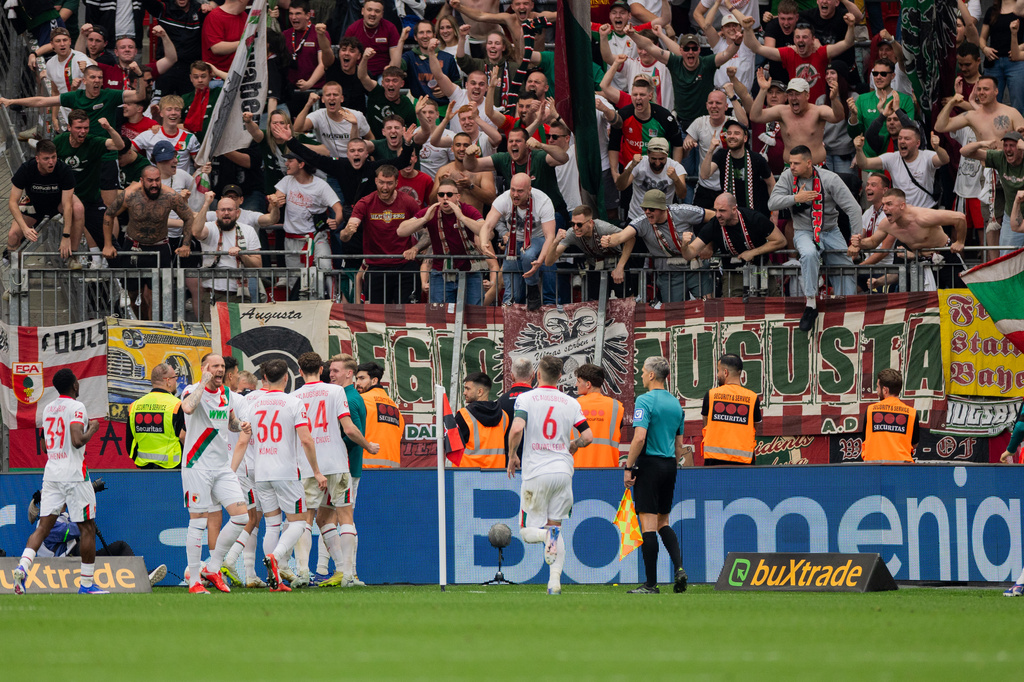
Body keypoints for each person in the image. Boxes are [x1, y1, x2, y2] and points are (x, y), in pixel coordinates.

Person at [287, 353, 379, 588]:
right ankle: (348, 574)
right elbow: (348, 429)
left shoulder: (294, 397)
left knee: (305, 520)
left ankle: (304, 572)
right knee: (346, 517)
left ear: (299, 371)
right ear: (322, 369)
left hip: (308, 465)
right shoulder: (335, 392)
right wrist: (368, 445)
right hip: (337, 463)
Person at [11, 369, 105, 595]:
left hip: (52, 474)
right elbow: (76, 440)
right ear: (74, 385)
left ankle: (22, 568)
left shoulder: (48, 409)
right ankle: (86, 584)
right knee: (87, 528)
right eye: (77, 383)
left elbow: (44, 446)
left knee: (43, 527)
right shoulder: (77, 407)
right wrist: (92, 428)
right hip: (74, 475)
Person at [506, 355, 593, 595]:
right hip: (563, 471)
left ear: (537, 374)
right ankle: (554, 583)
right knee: (556, 527)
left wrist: (513, 454)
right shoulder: (571, 402)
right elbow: (588, 437)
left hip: (536, 472)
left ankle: (546, 537)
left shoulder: (526, 398)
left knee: (526, 532)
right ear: (559, 377)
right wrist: (574, 445)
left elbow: (516, 428)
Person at [242, 359, 326, 592]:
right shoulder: (294, 402)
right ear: (287, 378)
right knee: (299, 522)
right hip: (287, 472)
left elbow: (245, 437)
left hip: (261, 472)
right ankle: (276, 557)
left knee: (271, 525)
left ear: (264, 378)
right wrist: (317, 471)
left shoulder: (253, 405)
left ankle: (275, 578)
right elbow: (306, 439)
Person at [179, 353, 251, 594]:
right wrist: (203, 382)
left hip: (221, 466)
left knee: (241, 517)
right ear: (205, 368)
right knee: (198, 522)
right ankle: (194, 580)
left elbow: (229, 422)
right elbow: (187, 409)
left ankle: (213, 567)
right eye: (215, 366)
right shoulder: (192, 390)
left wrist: (240, 425)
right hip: (197, 464)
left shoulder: (228, 395)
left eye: (222, 366)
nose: (220, 370)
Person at [767, 145, 859, 332]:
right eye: (790, 163)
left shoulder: (829, 178)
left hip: (831, 230)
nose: (791, 166)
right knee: (808, 254)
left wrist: (855, 240)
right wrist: (795, 198)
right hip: (804, 230)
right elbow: (772, 203)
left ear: (809, 163)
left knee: (846, 266)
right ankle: (811, 305)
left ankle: (849, 308)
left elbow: (854, 209)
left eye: (796, 163)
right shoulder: (787, 176)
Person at [623, 355, 687, 594]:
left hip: (649, 465)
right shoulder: (676, 405)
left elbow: (639, 437)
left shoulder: (644, 400)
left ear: (651, 375)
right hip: (670, 465)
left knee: (648, 526)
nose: (640, 375)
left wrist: (629, 467)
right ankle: (679, 568)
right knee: (664, 522)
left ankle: (651, 584)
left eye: (642, 371)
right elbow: (679, 444)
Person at [102, 165, 195, 320]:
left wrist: (186, 244)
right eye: (150, 180)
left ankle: (153, 327)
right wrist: (108, 244)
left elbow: (189, 217)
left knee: (156, 296)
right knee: (132, 294)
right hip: (134, 247)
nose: (154, 184)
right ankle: (141, 322)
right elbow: (108, 215)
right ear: (142, 180)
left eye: (157, 180)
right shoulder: (130, 195)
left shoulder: (170, 196)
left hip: (159, 248)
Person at [600, 189, 716, 303]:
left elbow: (715, 217)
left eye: (651, 209)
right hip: (669, 274)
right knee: (673, 313)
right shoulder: (642, 221)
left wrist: (709, 244)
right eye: (644, 208)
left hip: (696, 268)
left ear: (662, 208)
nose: (647, 212)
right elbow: (622, 236)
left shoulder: (682, 211)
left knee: (707, 307)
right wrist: (610, 240)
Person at [397, 178, 487, 305]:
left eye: (449, 195)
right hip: (440, 273)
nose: (445, 198)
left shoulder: (467, 210)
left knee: (474, 314)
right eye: (441, 194)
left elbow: (484, 229)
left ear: (458, 197)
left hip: (470, 272)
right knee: (440, 317)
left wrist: (461, 217)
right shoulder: (431, 211)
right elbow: (401, 231)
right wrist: (424, 219)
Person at [320, 354, 369, 587]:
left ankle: (350, 572)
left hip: (345, 468)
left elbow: (355, 433)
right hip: (338, 467)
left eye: (336, 371)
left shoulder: (349, 397)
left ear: (349, 374)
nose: (331, 374)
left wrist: (332, 449)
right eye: (330, 370)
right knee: (326, 518)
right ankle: (341, 570)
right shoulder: (341, 395)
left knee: (342, 518)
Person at [342, 165, 422, 304]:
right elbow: (345, 234)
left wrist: (416, 248)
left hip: (404, 265)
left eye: (389, 183)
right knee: (375, 314)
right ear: (375, 181)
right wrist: (348, 232)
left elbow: (425, 232)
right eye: (381, 182)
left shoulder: (409, 202)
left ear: (397, 183)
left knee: (408, 312)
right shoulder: (365, 203)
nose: (385, 187)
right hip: (376, 266)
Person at [683, 193, 787, 297]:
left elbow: (781, 240)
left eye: (722, 210)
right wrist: (685, 246)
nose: (718, 214)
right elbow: (690, 254)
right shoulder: (714, 224)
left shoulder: (753, 218)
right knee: (731, 308)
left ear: (734, 209)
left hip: (761, 267)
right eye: (716, 210)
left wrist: (753, 252)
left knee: (772, 302)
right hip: (733, 273)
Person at [479, 174, 557, 310]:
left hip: (538, 239)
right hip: (515, 240)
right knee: (511, 282)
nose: (515, 194)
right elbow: (487, 225)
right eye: (512, 190)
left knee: (528, 255)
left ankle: (533, 290)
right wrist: (484, 243)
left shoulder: (543, 201)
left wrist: (541, 259)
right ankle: (510, 306)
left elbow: (550, 236)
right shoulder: (503, 199)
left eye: (520, 191)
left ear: (529, 190)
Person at [6, 140, 82, 265]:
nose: (51, 162)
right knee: (13, 235)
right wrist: (25, 229)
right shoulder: (26, 169)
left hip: (58, 204)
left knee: (78, 208)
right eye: (46, 158)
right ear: (37, 159)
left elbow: (67, 205)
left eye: (54, 157)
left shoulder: (64, 170)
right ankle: (16, 273)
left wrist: (66, 236)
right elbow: (12, 202)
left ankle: (73, 257)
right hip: (34, 205)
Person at [750, 75, 844, 166]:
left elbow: (838, 117)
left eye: (797, 94)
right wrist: (763, 90)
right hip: (790, 169)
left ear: (807, 95)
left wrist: (834, 99)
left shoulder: (818, 111)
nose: (793, 98)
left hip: (816, 168)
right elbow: (755, 116)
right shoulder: (782, 111)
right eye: (790, 94)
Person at [545, 205, 634, 300]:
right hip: (596, 266)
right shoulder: (572, 233)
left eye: (579, 224)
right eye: (572, 224)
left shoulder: (604, 228)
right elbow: (549, 262)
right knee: (594, 302)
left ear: (590, 222)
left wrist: (620, 267)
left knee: (626, 300)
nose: (575, 228)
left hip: (616, 264)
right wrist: (555, 242)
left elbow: (631, 238)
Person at [194, 197, 262, 313]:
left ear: (237, 213)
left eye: (230, 210)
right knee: (211, 331)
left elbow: (258, 264)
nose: (226, 213)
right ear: (216, 213)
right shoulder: (210, 227)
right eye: (222, 210)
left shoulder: (249, 230)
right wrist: (206, 204)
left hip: (240, 295)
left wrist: (242, 254)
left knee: (239, 331)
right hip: (213, 294)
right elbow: (196, 232)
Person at [700, 120, 776, 216]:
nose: (732, 136)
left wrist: (775, 212)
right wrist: (710, 150)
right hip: (728, 214)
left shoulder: (757, 159)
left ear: (745, 138)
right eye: (729, 133)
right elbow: (704, 175)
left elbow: (771, 184)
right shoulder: (721, 155)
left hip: (752, 213)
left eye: (737, 133)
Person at [701, 354, 762, 465]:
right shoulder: (752, 398)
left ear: (725, 372)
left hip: (714, 460)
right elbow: (755, 426)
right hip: (744, 461)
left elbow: (705, 423)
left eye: (718, 371)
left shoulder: (711, 395)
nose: (717, 374)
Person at [127, 363, 184, 469]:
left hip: (144, 468)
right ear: (168, 381)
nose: (176, 381)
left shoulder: (135, 406)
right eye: (175, 378)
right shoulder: (177, 405)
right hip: (173, 468)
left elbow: (129, 443)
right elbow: (184, 438)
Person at [616, 136, 687, 222]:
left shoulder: (676, 167)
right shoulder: (638, 164)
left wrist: (676, 179)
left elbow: (682, 195)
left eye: (661, 159)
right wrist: (631, 167)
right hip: (637, 217)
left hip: (662, 219)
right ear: (648, 153)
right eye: (653, 159)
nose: (657, 163)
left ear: (667, 154)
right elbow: (620, 186)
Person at [859, 368, 919, 463]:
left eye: (878, 387)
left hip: (873, 469)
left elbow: (865, 439)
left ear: (885, 390)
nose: (876, 389)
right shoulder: (912, 413)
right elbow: (914, 444)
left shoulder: (870, 410)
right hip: (903, 469)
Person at [572, 364, 623, 468]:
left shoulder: (573, 405)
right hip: (609, 469)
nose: (576, 384)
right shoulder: (617, 407)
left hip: (577, 468)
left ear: (588, 384)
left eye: (578, 381)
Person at [454, 372, 509, 468]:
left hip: (466, 476)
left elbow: (453, 446)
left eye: (467, 389)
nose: (464, 392)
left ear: (480, 392)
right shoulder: (504, 416)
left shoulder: (463, 416)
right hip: (496, 476)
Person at [357, 361, 405, 469]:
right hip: (392, 471)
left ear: (374, 380)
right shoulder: (395, 407)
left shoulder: (361, 400)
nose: (357, 383)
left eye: (362, 378)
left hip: (364, 468)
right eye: (357, 379)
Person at [344, 0, 402, 79]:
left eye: (377, 11)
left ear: (382, 14)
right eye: (369, 10)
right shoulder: (352, 29)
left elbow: (395, 63)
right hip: (358, 73)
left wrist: (389, 73)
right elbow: (347, 57)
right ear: (362, 11)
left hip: (383, 74)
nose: (373, 14)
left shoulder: (390, 28)